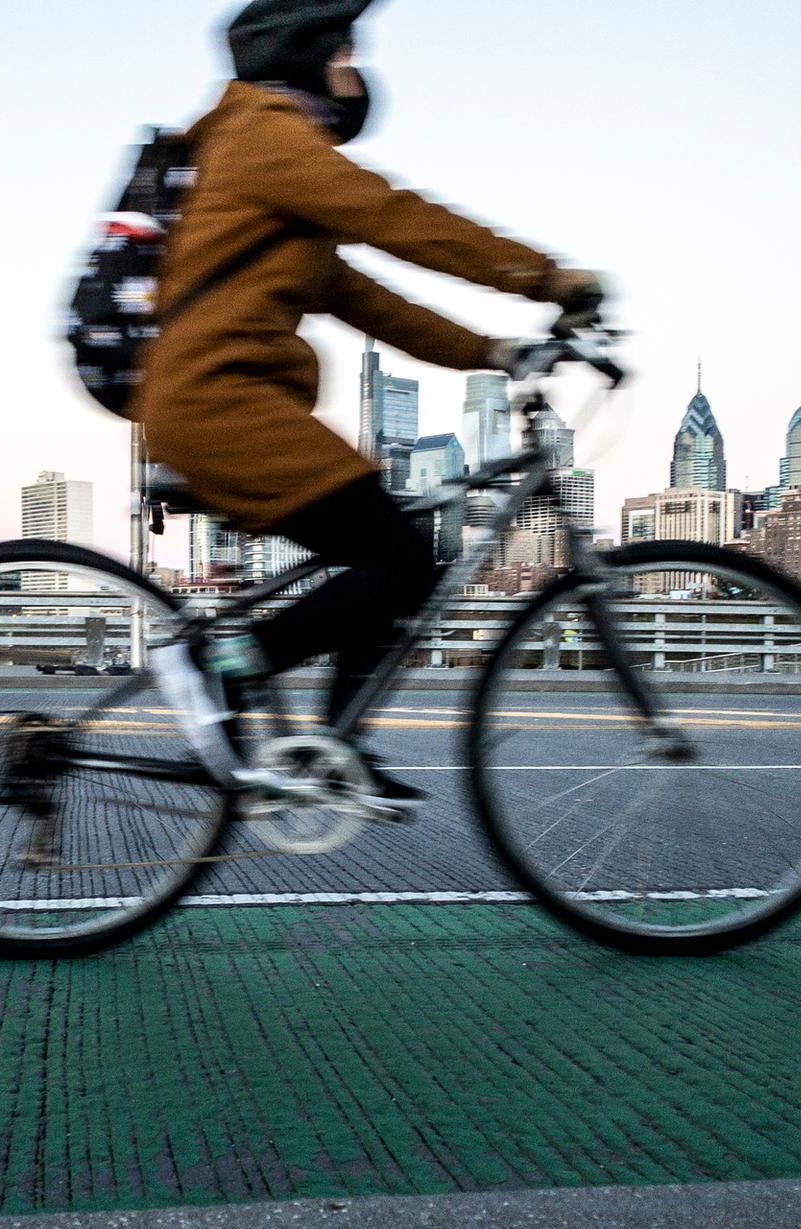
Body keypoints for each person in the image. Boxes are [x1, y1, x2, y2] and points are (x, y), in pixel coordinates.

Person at [142, 0, 603, 804]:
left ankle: (335, 748)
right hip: (220, 403)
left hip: (227, 403)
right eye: (348, 51)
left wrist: (496, 352)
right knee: (399, 557)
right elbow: (395, 218)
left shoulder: (273, 186)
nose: (359, 71)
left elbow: (376, 304)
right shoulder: (262, 133)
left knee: (395, 556)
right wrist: (547, 276)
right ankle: (215, 669)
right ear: (309, 52)